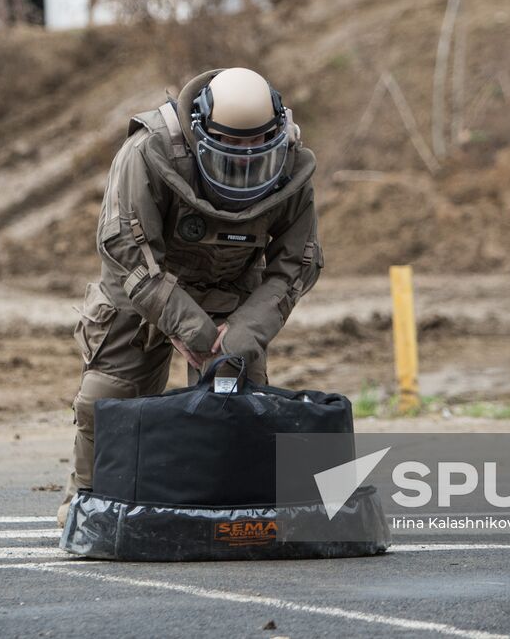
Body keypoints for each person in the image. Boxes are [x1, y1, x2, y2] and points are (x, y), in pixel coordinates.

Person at [57, 67, 323, 527]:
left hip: (230, 288)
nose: (244, 167)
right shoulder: (148, 152)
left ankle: (232, 500)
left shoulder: (293, 169)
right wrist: (189, 328)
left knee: (236, 396)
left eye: (256, 155)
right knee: (109, 399)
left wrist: (244, 332)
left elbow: (295, 265)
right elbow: (127, 251)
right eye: (230, 154)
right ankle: (86, 504)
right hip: (141, 284)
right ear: (202, 137)